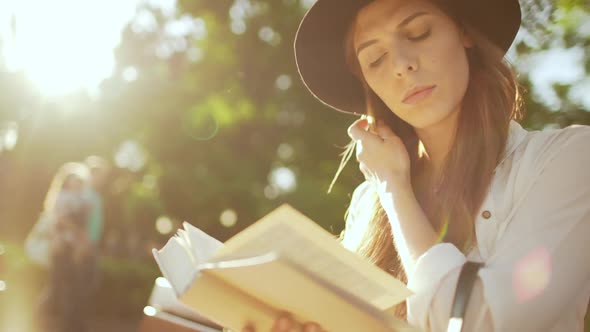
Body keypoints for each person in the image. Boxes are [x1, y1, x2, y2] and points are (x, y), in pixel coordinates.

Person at [244, 0, 590, 331]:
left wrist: (395, 190)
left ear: (464, 32)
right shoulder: (368, 204)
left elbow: (478, 324)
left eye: (419, 33)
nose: (400, 64)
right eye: (376, 59)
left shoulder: (567, 159)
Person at [34, 162, 96, 332]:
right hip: (61, 248)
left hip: (74, 249)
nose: (75, 183)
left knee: (74, 287)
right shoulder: (61, 198)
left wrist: (82, 243)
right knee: (56, 286)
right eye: (72, 179)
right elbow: (61, 222)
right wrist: (76, 232)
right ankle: (39, 318)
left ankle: (72, 324)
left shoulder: (83, 200)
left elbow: (84, 226)